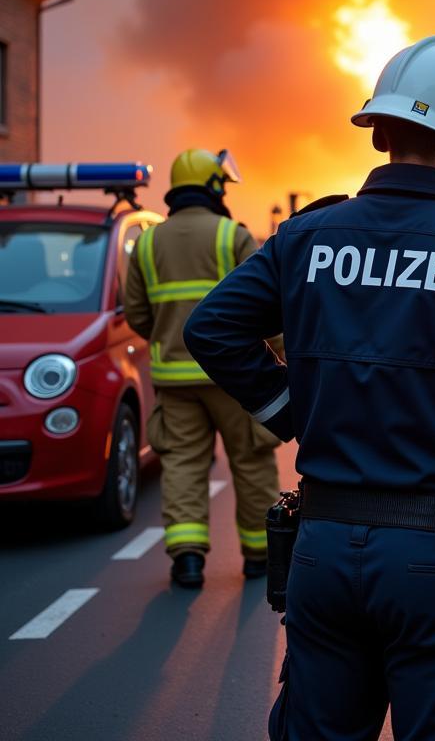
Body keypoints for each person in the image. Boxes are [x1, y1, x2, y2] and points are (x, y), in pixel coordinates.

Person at [184, 36, 435, 741]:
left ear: (382, 130)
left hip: (323, 553)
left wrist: (288, 408)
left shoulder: (308, 236)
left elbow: (213, 329)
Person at [124, 149, 281, 588]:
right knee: (251, 461)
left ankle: (187, 558)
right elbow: (267, 306)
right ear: (211, 186)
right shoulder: (232, 236)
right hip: (234, 378)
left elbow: (137, 314)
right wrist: (282, 355)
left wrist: (168, 334)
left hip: (174, 381)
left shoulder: (149, 241)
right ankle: (260, 555)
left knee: (182, 465)